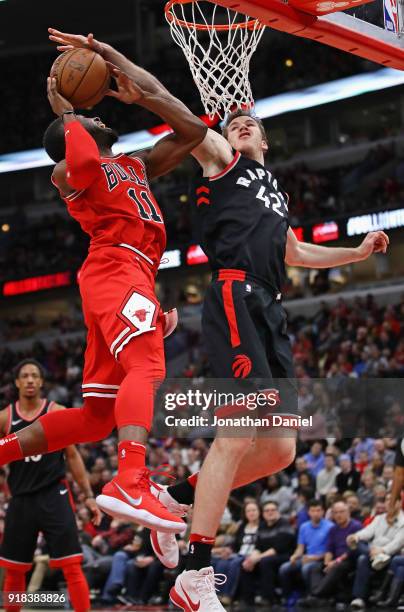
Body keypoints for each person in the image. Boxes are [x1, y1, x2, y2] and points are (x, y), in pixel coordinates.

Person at [42, 29, 389, 612]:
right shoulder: (221, 160)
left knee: (280, 451)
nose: (242, 122)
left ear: (268, 139)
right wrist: (116, 64)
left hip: (269, 306)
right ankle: (195, 574)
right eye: (234, 122)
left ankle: (174, 502)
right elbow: (174, 109)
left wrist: (355, 253)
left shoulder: (273, 190)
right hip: (234, 298)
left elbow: (293, 252)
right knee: (237, 430)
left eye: (252, 122)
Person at [0, 35, 207, 536]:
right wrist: (67, 114)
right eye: (88, 119)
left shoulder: (134, 163)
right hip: (115, 268)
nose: (96, 114)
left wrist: (117, 63)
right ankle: (130, 480)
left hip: (132, 274)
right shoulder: (67, 171)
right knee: (147, 364)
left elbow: (193, 129)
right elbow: (85, 163)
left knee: (97, 416)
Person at [0, 359, 99, 612]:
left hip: (54, 493)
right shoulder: (4, 418)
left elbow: (73, 456)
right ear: (17, 382)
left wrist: (88, 496)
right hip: (20, 498)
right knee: (14, 569)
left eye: (35, 375)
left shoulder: (56, 411)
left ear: (42, 382)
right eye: (25, 375)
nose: (30, 380)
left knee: (72, 565)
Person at [298, 500, 361, 608]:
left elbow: (353, 550)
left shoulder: (356, 526)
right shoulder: (333, 529)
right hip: (335, 560)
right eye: (335, 512)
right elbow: (329, 549)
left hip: (350, 560)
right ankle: (321, 599)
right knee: (315, 568)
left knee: (337, 567)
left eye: (341, 512)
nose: (338, 515)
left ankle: (314, 595)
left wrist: (335, 562)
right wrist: (327, 562)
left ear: (348, 512)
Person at [347, 496, 404, 609]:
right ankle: (359, 599)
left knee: (363, 557)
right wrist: (356, 536)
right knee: (357, 545)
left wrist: (382, 550)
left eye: (392, 500)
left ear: (399, 503)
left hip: (390, 555)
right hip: (374, 553)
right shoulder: (379, 518)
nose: (389, 503)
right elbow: (368, 532)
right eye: (387, 501)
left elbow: (398, 543)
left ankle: (376, 556)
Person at [238, 500, 295, 607]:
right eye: (267, 510)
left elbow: (278, 548)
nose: (270, 512)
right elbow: (258, 547)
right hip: (267, 556)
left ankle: (268, 598)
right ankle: (247, 600)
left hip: (286, 555)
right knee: (245, 563)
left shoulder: (284, 524)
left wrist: (258, 558)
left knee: (265, 562)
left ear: (278, 512)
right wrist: (251, 559)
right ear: (263, 513)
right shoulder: (262, 526)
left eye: (273, 510)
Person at [279, 500, 333, 601]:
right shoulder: (304, 526)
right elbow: (300, 548)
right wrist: (295, 556)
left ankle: (310, 595)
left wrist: (314, 558)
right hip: (307, 557)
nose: (316, 513)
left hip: (322, 559)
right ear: (308, 512)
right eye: (313, 511)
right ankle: (287, 596)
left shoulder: (330, 527)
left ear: (323, 512)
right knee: (284, 568)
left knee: (306, 568)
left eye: (318, 510)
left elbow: (330, 550)